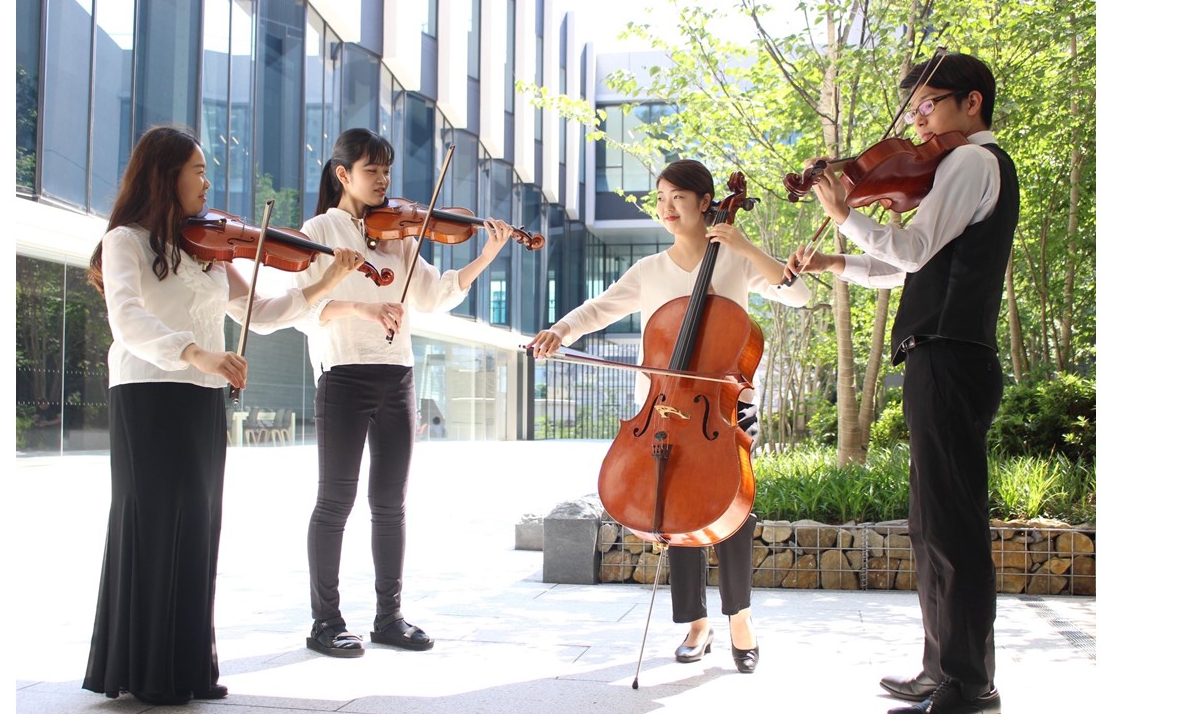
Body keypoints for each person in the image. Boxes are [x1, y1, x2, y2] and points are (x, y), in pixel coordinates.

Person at [81, 124, 361, 706]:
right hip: (149, 392)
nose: (208, 182)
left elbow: (260, 312)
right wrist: (197, 352)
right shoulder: (125, 241)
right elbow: (127, 320)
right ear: (165, 175)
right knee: (153, 525)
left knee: (200, 528)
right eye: (198, 170)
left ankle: (188, 668)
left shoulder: (206, 250)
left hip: (202, 396)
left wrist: (326, 281)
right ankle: (145, 669)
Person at [785, 52, 1015, 714]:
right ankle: (942, 669)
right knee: (930, 523)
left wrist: (846, 211)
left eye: (926, 106)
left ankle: (970, 685)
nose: (917, 124)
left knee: (953, 527)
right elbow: (903, 269)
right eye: (913, 110)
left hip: (951, 355)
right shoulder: (956, 168)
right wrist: (836, 254)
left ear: (971, 103)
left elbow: (910, 251)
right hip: (940, 356)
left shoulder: (973, 161)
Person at [528, 159, 809, 674]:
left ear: (706, 203)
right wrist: (560, 331)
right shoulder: (649, 271)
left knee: (735, 510)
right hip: (663, 408)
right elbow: (599, 309)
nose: (666, 208)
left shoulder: (735, 261)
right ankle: (695, 623)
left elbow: (800, 293)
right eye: (660, 198)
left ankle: (739, 617)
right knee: (671, 511)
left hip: (724, 408)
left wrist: (746, 247)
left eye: (677, 197)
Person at [292, 128, 515, 657]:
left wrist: (487, 255)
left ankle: (388, 617)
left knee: (390, 505)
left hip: (397, 374)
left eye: (387, 170)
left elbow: (435, 296)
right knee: (335, 502)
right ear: (343, 174)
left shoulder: (400, 235)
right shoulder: (320, 229)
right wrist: (363, 308)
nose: (383, 180)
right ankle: (325, 622)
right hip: (344, 374)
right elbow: (304, 309)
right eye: (372, 170)